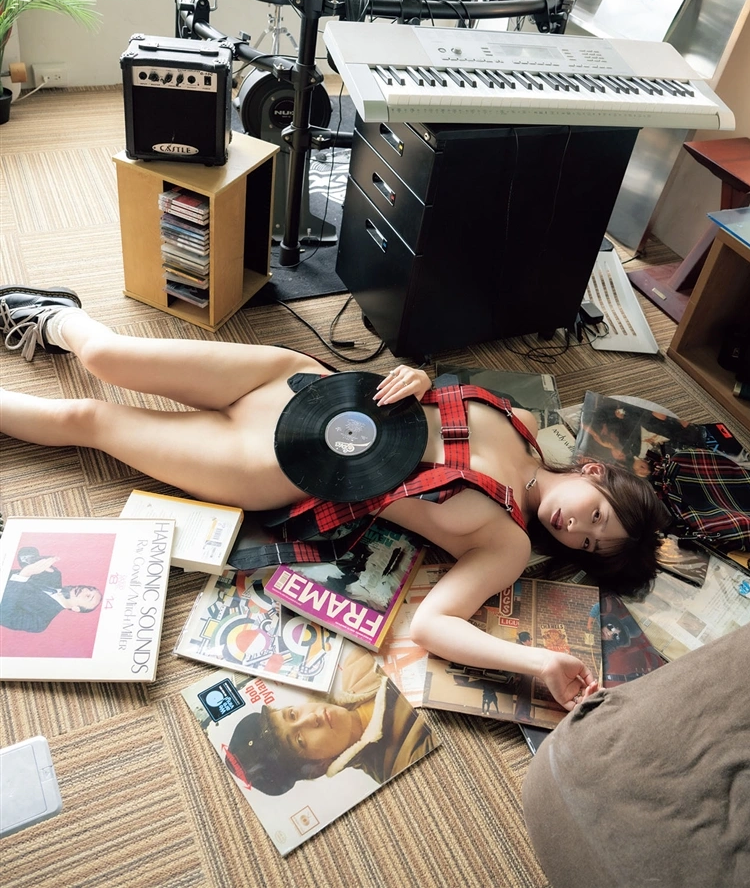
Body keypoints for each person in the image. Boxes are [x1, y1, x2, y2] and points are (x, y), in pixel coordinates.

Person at [0, 285, 669, 709]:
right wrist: (418, 378)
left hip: (267, 464)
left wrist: (539, 661)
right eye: (597, 515)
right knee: (108, 357)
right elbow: (427, 394)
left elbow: (433, 627)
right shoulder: (519, 419)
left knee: (85, 420)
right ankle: (56, 316)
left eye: (589, 544)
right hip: (297, 382)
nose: (576, 528)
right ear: (594, 473)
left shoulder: (508, 542)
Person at [222, 644, 435, 795]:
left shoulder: (355, 664)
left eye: (292, 714)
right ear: (319, 767)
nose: (311, 718)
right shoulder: (405, 761)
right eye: (300, 740)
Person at [1, 551, 102, 632]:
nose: (85, 590)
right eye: (90, 588)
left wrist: (23, 575)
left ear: (75, 608)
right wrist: (34, 559)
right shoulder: (54, 575)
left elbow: (2, 615)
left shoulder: (39, 622)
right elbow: (24, 553)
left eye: (88, 596)